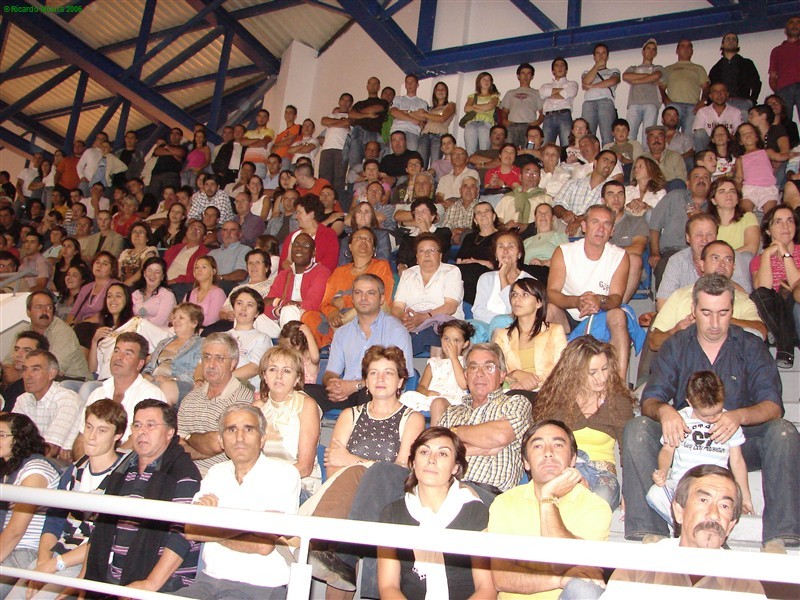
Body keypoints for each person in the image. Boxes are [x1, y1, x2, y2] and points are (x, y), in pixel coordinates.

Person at [623, 273, 800, 553]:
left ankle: (780, 537)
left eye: (723, 313)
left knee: (784, 432)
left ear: (733, 310)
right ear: (693, 310)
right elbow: (650, 400)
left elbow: (773, 406)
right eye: (706, 313)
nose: (715, 323)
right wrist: (666, 410)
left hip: (736, 446)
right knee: (638, 429)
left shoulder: (750, 346)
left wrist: (737, 416)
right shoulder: (677, 345)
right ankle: (651, 531)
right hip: (687, 444)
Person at [177, 403, 300, 599]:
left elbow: (262, 545)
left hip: (260, 588)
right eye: (231, 430)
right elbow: (191, 531)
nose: (239, 438)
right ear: (221, 441)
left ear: (262, 439)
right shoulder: (216, 473)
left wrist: (211, 527)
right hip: (206, 584)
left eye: (248, 429)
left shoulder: (284, 474)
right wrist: (246, 530)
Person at [80, 400, 201, 594]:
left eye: (151, 425)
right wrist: (83, 583)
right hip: (112, 579)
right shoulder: (121, 470)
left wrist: (150, 584)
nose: (141, 431)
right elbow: (99, 530)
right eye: (137, 425)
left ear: (170, 432)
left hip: (165, 584)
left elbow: (183, 535)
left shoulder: (183, 473)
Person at [16, 400, 128, 600]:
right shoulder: (74, 470)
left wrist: (55, 565)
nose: (91, 437)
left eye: (102, 431)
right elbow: (53, 521)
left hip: (88, 561)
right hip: (58, 553)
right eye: (89, 427)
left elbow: (105, 539)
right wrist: (43, 563)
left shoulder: (123, 477)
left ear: (117, 435)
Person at [488, 420, 612, 600]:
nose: (548, 453)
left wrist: (548, 499)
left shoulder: (595, 506)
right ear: (526, 462)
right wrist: (559, 579)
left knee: (585, 588)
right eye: (538, 446)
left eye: (558, 445)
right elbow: (502, 578)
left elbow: (569, 564)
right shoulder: (504, 503)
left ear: (572, 459)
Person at [607, 465, 766, 597]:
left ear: (731, 525)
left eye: (724, 506)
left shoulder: (744, 583)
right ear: (679, 511)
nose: (713, 514)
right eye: (703, 500)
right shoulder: (642, 567)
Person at [377, 427, 494, 600]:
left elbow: (486, 589)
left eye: (443, 454)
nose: (432, 460)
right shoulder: (392, 513)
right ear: (413, 462)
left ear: (455, 467)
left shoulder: (475, 512)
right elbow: (388, 587)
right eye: (424, 452)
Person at [533, 337, 634, 510]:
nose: (601, 378)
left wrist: (630, 492)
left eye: (605, 369)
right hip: (563, 467)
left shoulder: (617, 401)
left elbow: (629, 450)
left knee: (599, 501)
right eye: (592, 372)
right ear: (575, 372)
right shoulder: (556, 401)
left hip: (601, 472)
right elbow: (541, 443)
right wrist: (571, 474)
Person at [646, 370, 753, 526]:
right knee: (654, 493)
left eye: (716, 412)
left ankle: (698, 530)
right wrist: (662, 471)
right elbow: (667, 451)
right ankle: (688, 530)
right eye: (705, 415)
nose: (712, 418)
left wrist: (746, 496)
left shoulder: (729, 421)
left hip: (715, 486)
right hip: (682, 484)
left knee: (726, 501)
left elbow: (737, 460)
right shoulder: (679, 419)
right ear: (690, 402)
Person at [548, 204, 632, 379]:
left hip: (602, 312)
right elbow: (553, 292)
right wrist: (576, 301)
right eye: (595, 222)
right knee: (548, 310)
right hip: (569, 313)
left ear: (612, 231)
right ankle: (554, 380)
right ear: (584, 226)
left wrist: (599, 300)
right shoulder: (564, 252)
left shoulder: (620, 256)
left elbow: (616, 297)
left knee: (618, 315)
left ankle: (619, 385)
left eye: (606, 224)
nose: (600, 229)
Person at [649, 240, 766, 352]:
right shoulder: (680, 296)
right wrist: (675, 331)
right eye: (715, 258)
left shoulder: (742, 299)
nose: (722, 264)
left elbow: (761, 332)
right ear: (702, 264)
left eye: (728, 260)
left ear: (734, 267)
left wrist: (725, 320)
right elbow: (654, 342)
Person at [321, 274, 413, 413]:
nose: (363, 298)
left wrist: (356, 385)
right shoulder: (342, 333)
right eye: (358, 293)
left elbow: (401, 375)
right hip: (346, 394)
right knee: (303, 393)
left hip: (379, 392)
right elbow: (331, 372)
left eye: (370, 293)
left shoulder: (396, 331)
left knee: (369, 395)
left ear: (381, 299)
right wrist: (333, 385)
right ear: (352, 298)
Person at [0, 413, 61, 599]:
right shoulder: (7, 468)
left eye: (1, 435)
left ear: (19, 438)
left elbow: (16, 531)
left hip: (26, 550)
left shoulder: (35, 469)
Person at [177, 333, 254, 474]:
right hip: (184, 473)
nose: (211, 365)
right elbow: (178, 447)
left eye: (219, 358)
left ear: (232, 364)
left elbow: (220, 444)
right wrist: (209, 444)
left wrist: (189, 437)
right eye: (207, 357)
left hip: (222, 476)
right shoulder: (190, 399)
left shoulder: (243, 399)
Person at [77, 332, 167, 453]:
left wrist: (109, 464)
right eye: (116, 351)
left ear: (140, 364)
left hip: (126, 464)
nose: (119, 357)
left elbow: (142, 441)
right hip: (91, 463)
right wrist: (82, 466)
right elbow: (81, 438)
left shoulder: (152, 395)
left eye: (128, 354)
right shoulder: (97, 393)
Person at [305, 227, 394, 348]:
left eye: (368, 239)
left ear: (373, 249)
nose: (363, 241)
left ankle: (341, 340)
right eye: (359, 238)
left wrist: (345, 301)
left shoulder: (381, 266)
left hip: (365, 314)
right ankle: (334, 342)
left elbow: (382, 299)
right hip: (338, 318)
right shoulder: (339, 271)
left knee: (367, 312)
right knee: (308, 317)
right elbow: (325, 302)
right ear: (350, 247)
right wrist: (332, 312)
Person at [254, 346, 322, 499]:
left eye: (286, 371)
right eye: (272, 369)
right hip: (259, 483)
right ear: (264, 375)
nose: (278, 376)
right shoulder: (256, 408)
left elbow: (304, 468)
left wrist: (265, 481)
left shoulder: (306, 405)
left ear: (297, 378)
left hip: (298, 484)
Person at [656, 212, 753, 310]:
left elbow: (747, 298)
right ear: (688, 238)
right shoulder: (677, 261)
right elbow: (663, 303)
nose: (705, 239)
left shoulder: (730, 257)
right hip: (686, 319)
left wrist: (722, 278)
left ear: (716, 236)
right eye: (699, 235)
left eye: (709, 234)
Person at [492, 277, 567, 397]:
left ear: (539, 302)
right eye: (514, 294)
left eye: (525, 294)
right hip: (514, 394)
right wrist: (516, 374)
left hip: (549, 394)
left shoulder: (555, 331)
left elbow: (562, 369)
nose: (517, 299)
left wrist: (531, 383)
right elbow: (496, 372)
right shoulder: (502, 335)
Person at [393, 233, 464, 356]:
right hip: (412, 322)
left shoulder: (451, 272)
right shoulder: (407, 274)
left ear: (440, 255)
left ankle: (436, 370)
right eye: (422, 251)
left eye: (431, 250)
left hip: (442, 321)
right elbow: (397, 307)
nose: (426, 254)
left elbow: (450, 307)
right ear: (416, 257)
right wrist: (405, 318)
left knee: (441, 328)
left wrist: (424, 317)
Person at [749, 205, 800, 369]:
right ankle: (784, 342)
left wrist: (785, 253)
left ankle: (783, 344)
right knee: (761, 294)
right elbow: (763, 288)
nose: (785, 226)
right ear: (768, 230)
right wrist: (766, 255)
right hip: (775, 312)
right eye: (778, 222)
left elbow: (796, 285)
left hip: (796, 312)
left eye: (790, 221)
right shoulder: (758, 259)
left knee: (790, 294)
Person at [648, 167, 711, 289]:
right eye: (696, 177)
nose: (701, 180)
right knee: (665, 266)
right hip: (672, 251)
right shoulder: (674, 197)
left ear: (710, 183)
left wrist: (702, 217)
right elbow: (654, 225)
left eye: (705, 177)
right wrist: (655, 252)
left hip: (704, 253)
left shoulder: (715, 204)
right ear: (688, 183)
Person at [15, 349, 82, 460]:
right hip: (30, 461)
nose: (27, 375)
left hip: (60, 466)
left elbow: (50, 450)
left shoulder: (67, 399)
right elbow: (11, 440)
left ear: (52, 373)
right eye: (25, 369)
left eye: (35, 369)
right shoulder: (23, 400)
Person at [400, 320, 472, 424]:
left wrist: (453, 358)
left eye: (456, 341)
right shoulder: (434, 363)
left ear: (465, 344)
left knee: (438, 403)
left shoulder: (466, 362)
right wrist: (427, 392)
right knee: (404, 397)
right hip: (431, 397)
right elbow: (421, 387)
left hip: (452, 400)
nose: (450, 344)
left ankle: (434, 436)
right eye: (446, 339)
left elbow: (464, 384)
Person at [263, 233, 331, 338]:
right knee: (254, 316)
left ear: (313, 253)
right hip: (281, 317)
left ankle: (291, 351)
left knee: (289, 310)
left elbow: (312, 304)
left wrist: (280, 304)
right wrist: (280, 308)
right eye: (296, 244)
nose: (299, 248)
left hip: (310, 321)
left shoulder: (322, 272)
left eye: (305, 246)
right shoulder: (284, 274)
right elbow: (266, 302)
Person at [473, 231, 534, 329]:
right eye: (501, 246)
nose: (505, 251)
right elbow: (478, 311)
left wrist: (503, 277)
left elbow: (517, 313)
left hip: (515, 329)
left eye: (510, 246)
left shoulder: (529, 281)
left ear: (519, 254)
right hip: (485, 327)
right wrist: (501, 318)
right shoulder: (486, 278)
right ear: (496, 255)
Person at [25, 291, 91, 382]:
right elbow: (10, 361)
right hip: (43, 377)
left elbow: (54, 370)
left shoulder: (63, 332)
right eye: (39, 307)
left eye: (49, 307)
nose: (45, 311)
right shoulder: (24, 331)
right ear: (28, 312)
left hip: (75, 381)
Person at [603, 180, 649, 302]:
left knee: (635, 259)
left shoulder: (637, 222)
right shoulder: (596, 223)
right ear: (603, 200)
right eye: (610, 194)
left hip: (626, 268)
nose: (616, 198)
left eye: (620, 194)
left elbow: (637, 249)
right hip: (600, 266)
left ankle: (620, 305)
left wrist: (605, 253)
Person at [553, 150, 619, 236]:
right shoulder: (574, 183)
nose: (609, 164)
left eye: (612, 163)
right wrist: (564, 213)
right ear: (595, 163)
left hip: (591, 230)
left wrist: (581, 219)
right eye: (605, 160)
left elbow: (608, 211)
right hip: (563, 225)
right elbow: (556, 204)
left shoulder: (612, 189)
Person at [277, 194, 339, 274]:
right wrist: (296, 274)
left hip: (317, 280)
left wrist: (306, 274)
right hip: (292, 278)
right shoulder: (292, 236)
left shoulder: (328, 235)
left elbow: (329, 263)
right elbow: (284, 262)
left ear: (311, 213)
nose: (296, 217)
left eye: (299, 213)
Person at [709, 32, 762, 121]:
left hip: (742, 101)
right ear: (722, 44)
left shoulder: (747, 63)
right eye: (728, 39)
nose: (731, 41)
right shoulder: (716, 68)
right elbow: (711, 88)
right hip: (722, 103)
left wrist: (752, 101)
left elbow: (756, 83)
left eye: (734, 39)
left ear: (737, 44)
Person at [661, 39, 710, 134]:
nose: (686, 48)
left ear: (692, 51)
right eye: (683, 46)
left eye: (689, 46)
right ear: (677, 50)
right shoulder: (668, 69)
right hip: (674, 106)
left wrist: (703, 101)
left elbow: (706, 87)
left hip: (693, 107)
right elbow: (661, 88)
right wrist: (667, 102)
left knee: (689, 137)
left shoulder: (699, 68)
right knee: (670, 134)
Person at [623, 38, 665, 144]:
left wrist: (636, 80)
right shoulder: (633, 68)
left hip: (651, 103)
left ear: (655, 53)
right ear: (643, 51)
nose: (650, 51)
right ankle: (629, 159)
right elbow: (626, 76)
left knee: (648, 135)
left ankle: (647, 159)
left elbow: (657, 75)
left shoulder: (658, 67)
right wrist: (649, 78)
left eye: (653, 49)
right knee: (630, 134)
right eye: (648, 48)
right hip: (634, 103)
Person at [395, 198, 452, 273]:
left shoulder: (443, 232)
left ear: (432, 216)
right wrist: (402, 267)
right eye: (416, 212)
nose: (419, 215)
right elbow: (401, 259)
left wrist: (424, 230)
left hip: (437, 273)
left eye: (423, 211)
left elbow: (440, 249)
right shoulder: (408, 238)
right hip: (413, 275)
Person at [581, 43, 621, 146]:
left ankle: (607, 159)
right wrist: (597, 66)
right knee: (588, 136)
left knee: (607, 135)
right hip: (588, 103)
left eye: (603, 53)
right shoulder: (586, 72)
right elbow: (586, 81)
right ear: (594, 57)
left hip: (606, 101)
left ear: (607, 56)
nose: (601, 56)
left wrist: (592, 86)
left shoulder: (614, 71)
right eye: (598, 53)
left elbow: (613, 81)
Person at [708, 177, 759, 255]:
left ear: (737, 199)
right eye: (722, 192)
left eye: (732, 191)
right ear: (714, 200)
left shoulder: (748, 218)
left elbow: (751, 248)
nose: (728, 194)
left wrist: (725, 258)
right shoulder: (707, 223)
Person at [2, 332, 49, 413]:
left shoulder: (36, 386)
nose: (18, 354)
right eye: (16, 349)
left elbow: (10, 417)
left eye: (26, 350)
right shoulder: (5, 375)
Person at [768, 16, 800, 126]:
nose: (795, 24)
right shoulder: (777, 51)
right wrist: (778, 92)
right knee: (785, 123)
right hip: (784, 89)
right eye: (791, 22)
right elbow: (772, 76)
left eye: (798, 22)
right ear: (786, 29)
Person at [692, 83, 743, 151]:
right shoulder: (702, 112)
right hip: (708, 146)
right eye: (715, 91)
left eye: (722, 91)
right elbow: (698, 133)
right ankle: (701, 159)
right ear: (710, 96)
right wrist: (715, 139)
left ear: (727, 94)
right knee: (699, 133)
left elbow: (738, 134)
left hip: (728, 146)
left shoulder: (736, 112)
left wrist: (723, 140)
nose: (719, 94)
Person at [540, 57, 579, 146]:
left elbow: (571, 92)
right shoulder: (545, 85)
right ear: (553, 71)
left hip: (564, 115)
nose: (560, 67)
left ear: (566, 70)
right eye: (557, 65)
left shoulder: (572, 84)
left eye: (562, 65)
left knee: (567, 145)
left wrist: (550, 93)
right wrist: (562, 92)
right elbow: (542, 93)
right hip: (548, 117)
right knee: (545, 146)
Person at [417, 81, 457, 167]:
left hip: (439, 136)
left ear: (447, 92)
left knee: (434, 166)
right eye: (438, 89)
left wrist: (425, 114)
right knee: (420, 165)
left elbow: (442, 118)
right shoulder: (430, 109)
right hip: (424, 135)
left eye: (443, 89)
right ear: (434, 92)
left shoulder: (450, 105)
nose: (440, 91)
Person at [463, 71, 501, 154]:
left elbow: (489, 106)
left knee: (484, 151)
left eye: (489, 80)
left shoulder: (494, 96)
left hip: (486, 123)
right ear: (479, 81)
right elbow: (466, 108)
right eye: (484, 79)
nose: (486, 82)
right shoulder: (473, 96)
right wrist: (482, 109)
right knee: (470, 152)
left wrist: (475, 106)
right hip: (471, 123)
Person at [523, 203, 569, 269]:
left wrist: (544, 263)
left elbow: (566, 259)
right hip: (525, 272)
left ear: (552, 219)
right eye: (539, 213)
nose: (543, 215)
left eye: (547, 213)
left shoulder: (559, 236)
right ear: (535, 220)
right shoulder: (526, 241)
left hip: (548, 271)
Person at [186, 255, 227, 327]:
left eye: (204, 267)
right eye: (197, 267)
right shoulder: (190, 293)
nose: (199, 270)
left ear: (213, 271)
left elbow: (211, 320)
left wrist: (189, 322)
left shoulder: (218, 293)